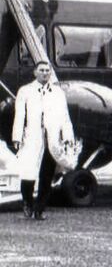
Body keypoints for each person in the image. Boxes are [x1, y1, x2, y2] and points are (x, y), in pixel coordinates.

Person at [12, 61, 74, 220]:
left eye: (47, 70)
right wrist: (17, 137)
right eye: (42, 70)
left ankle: (39, 209)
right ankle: (27, 202)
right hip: (32, 138)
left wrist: (67, 136)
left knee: (46, 176)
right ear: (35, 72)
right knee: (28, 174)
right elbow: (20, 116)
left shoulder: (58, 93)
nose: (45, 73)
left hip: (51, 140)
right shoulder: (25, 91)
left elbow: (64, 117)